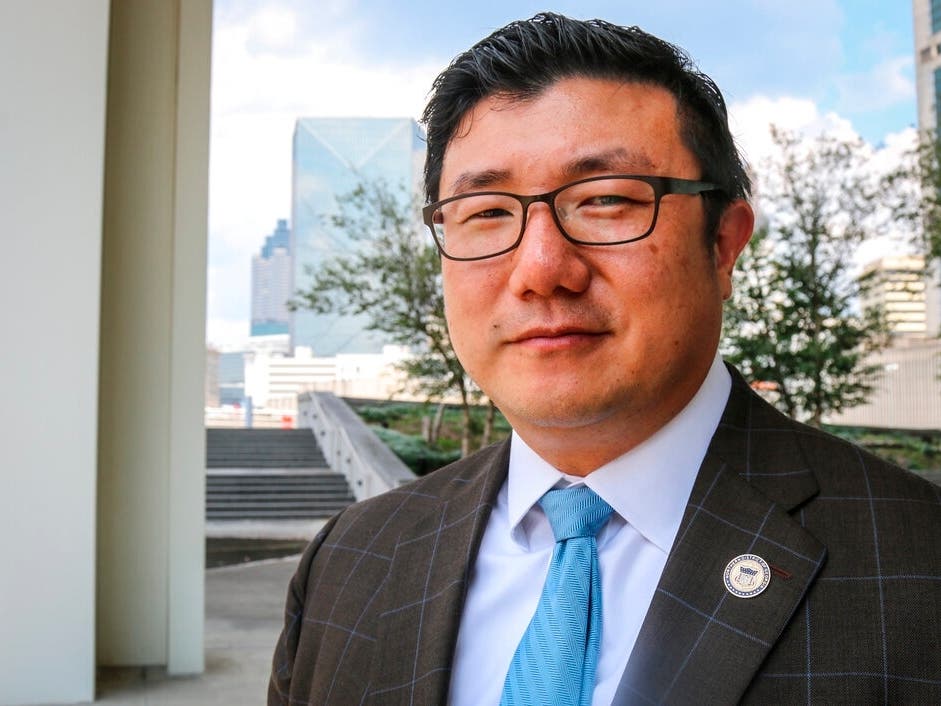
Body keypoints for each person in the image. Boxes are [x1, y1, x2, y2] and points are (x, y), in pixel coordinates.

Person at [269, 13, 941, 705]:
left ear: (723, 245)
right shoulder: (349, 562)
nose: (539, 269)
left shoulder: (916, 566)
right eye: (486, 212)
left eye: (606, 201)